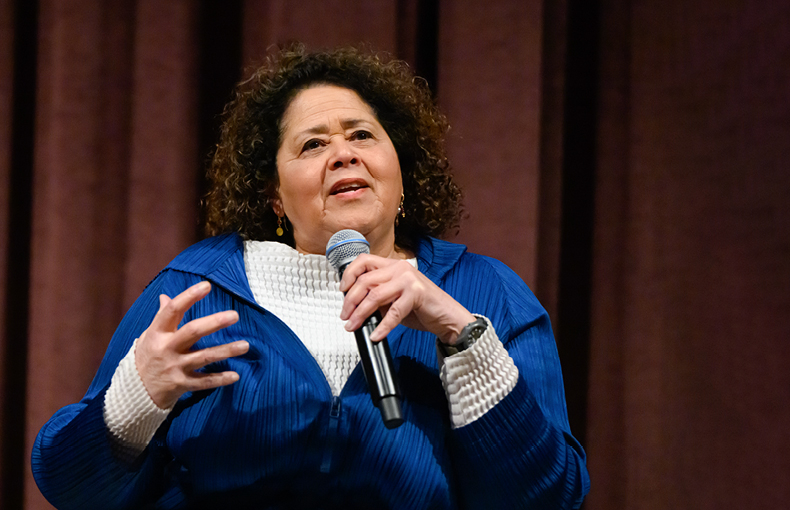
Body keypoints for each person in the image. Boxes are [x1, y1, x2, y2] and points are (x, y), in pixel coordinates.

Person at [31, 45, 590, 509]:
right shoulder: (196, 290)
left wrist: (461, 337)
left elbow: (550, 496)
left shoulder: (483, 292)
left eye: (362, 136)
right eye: (313, 144)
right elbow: (70, 487)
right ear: (274, 195)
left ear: (401, 172)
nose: (343, 155)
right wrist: (137, 397)